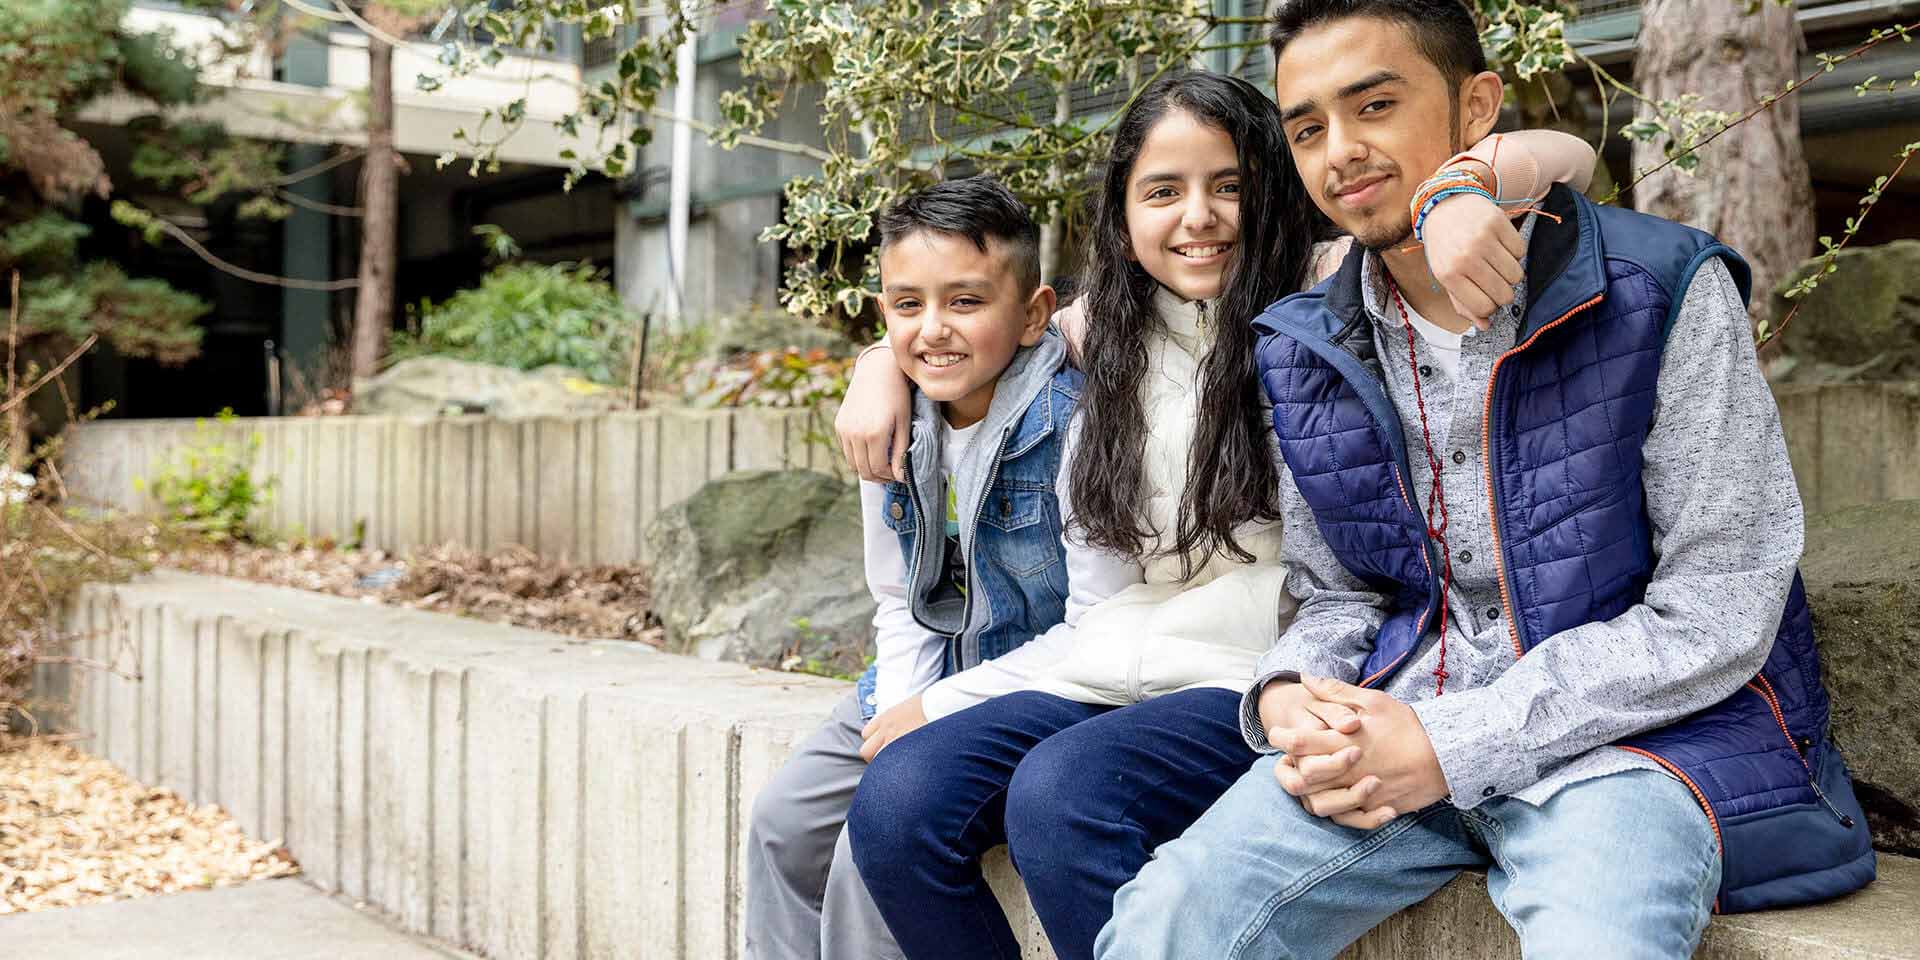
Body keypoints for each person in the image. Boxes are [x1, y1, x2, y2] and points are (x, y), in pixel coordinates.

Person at [1096, 3, 1876, 958]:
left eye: (1375, 104)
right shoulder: (1304, 344)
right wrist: (1290, 690)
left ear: (1477, 110)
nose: (1341, 151)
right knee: (1163, 926)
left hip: (1633, 749)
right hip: (1393, 731)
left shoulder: (1657, 287)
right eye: (1307, 128)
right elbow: (1337, 592)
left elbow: (1722, 597)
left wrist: (1454, 743)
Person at [839, 71, 1598, 960]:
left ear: (1271, 188)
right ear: (1122, 216)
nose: (1199, 216)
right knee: (898, 805)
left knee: (1065, 795)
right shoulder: (1105, 331)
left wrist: (1468, 187)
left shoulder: (1334, 288)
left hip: (1272, 667)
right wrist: (873, 368)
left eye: (1228, 184)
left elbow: (1574, 160)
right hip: (1121, 657)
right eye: (1164, 191)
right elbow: (962, 324)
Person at [743, 175, 1142, 960]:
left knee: (871, 848)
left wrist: (927, 720)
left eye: (965, 302)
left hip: (1049, 690)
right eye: (906, 305)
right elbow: (897, 600)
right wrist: (899, 710)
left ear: (1033, 314)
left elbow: (1100, 630)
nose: (933, 331)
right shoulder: (890, 424)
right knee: (782, 825)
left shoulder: (1080, 428)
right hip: (922, 679)